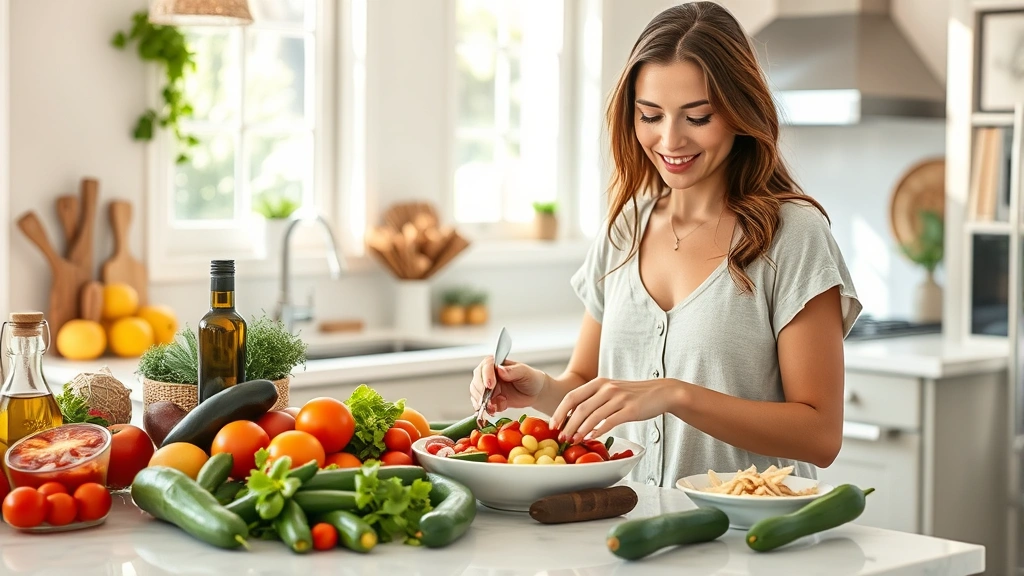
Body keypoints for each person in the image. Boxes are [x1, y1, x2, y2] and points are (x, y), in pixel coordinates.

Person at [469, 1, 862, 486]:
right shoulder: (625, 230)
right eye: (650, 115)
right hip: (628, 535)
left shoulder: (792, 235)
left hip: (747, 543)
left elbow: (821, 435)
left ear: (741, 112)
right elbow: (588, 384)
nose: (669, 140)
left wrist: (676, 394)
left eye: (697, 117)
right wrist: (539, 389)